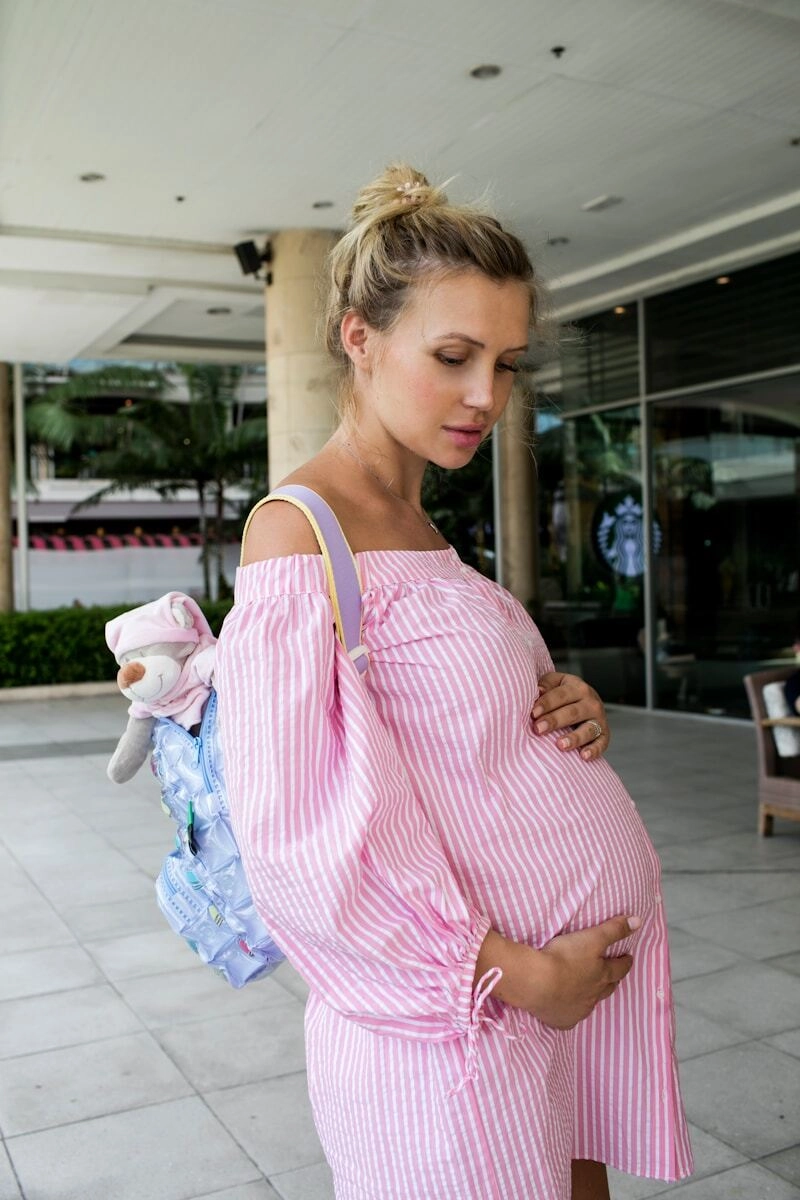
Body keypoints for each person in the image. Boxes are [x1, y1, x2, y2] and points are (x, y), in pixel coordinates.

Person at [216, 165, 693, 1200]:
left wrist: (559, 704)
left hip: (535, 1017)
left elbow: (450, 733)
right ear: (358, 338)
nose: (487, 395)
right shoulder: (297, 536)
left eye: (506, 363)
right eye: (451, 356)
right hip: (454, 1038)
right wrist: (520, 974)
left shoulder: (421, 526)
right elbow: (300, 846)